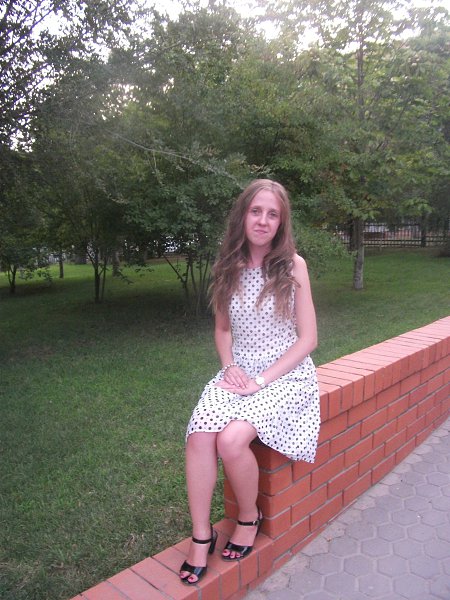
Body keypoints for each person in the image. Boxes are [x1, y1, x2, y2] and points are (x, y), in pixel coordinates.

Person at [179, 179, 321, 585]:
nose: (263, 220)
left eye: (272, 214)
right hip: (238, 371)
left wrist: (261, 380)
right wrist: (228, 366)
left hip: (286, 373)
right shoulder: (227, 266)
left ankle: (248, 516)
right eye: (256, 211)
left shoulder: (293, 265)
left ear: (281, 222)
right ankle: (201, 535)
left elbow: (308, 340)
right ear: (243, 215)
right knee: (200, 435)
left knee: (232, 440)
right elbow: (223, 329)